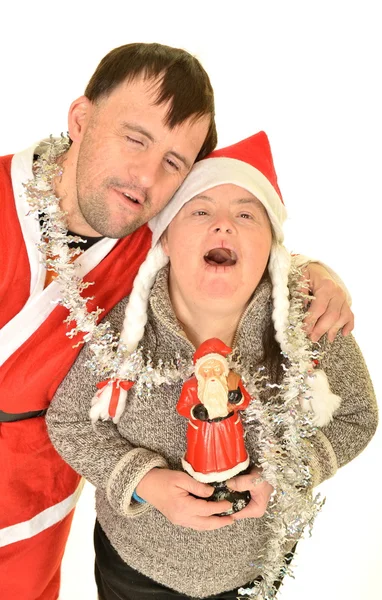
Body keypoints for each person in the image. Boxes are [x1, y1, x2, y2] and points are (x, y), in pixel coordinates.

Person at [0, 42, 352, 600]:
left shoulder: (145, 240)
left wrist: (314, 271)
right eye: (135, 138)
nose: (144, 176)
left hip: (38, 497)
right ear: (81, 119)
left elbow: (235, 240)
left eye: (173, 163)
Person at [46, 131, 377, 600]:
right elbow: (70, 419)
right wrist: (145, 480)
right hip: (137, 564)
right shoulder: (124, 330)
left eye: (246, 214)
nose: (224, 226)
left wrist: (287, 473)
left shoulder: (309, 320)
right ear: (165, 240)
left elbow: (358, 415)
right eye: (200, 211)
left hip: (253, 568)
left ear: (273, 248)